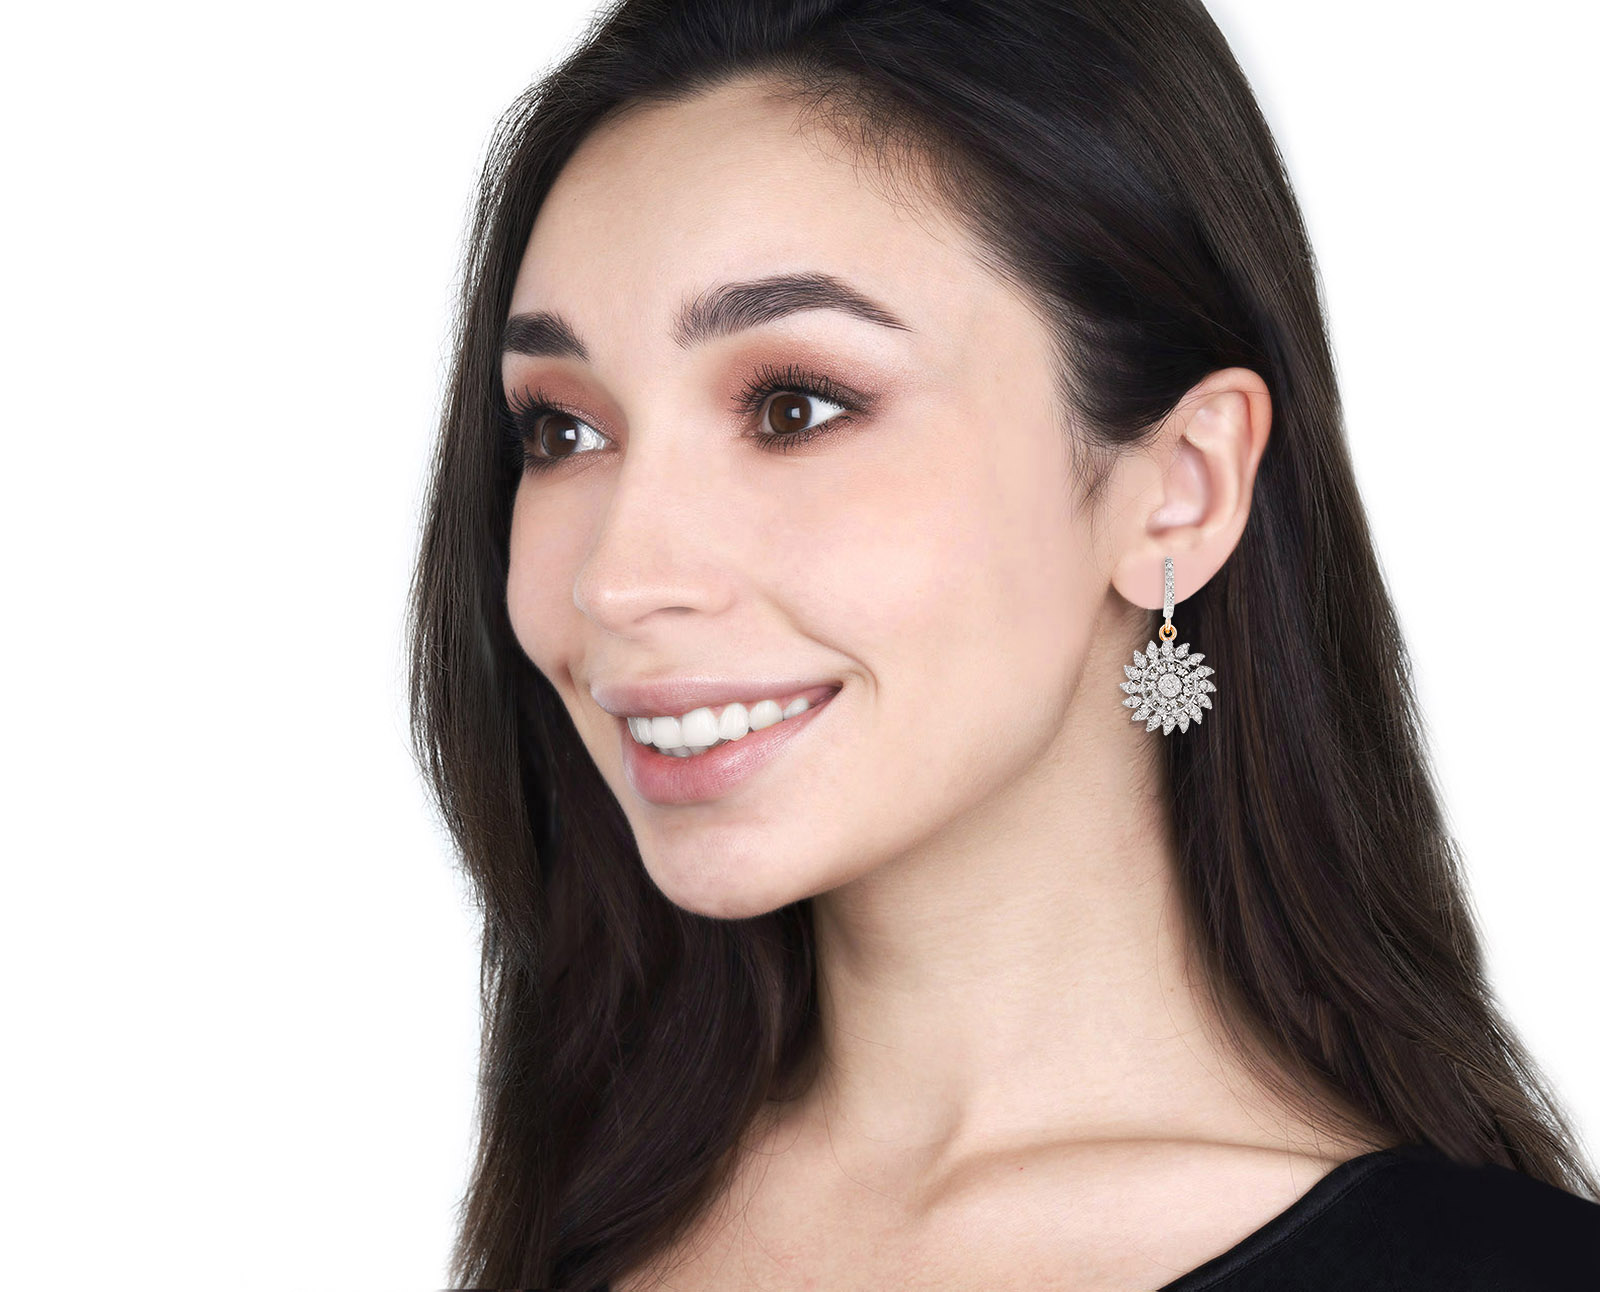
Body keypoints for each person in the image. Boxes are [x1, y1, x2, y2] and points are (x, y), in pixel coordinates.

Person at [406, 0, 1600, 1286]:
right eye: (562, 430)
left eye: (794, 407)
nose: (617, 578)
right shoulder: (583, 1207)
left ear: (1180, 487)